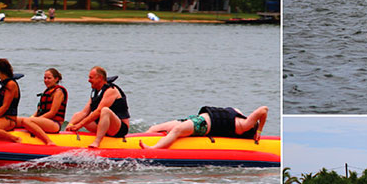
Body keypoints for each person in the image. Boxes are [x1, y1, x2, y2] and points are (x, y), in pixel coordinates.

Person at [139, 106, 269, 149]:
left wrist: (258, 130)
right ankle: (134, 143)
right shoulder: (239, 114)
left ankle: (153, 149)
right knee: (155, 128)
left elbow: (264, 109)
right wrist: (259, 130)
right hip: (195, 119)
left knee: (176, 131)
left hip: (202, 125)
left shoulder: (245, 126)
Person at [66, 66, 130, 148]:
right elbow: (84, 112)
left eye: (91, 78)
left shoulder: (111, 90)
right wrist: (71, 125)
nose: (88, 80)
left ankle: (97, 141)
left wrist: (79, 125)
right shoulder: (96, 91)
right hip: (103, 125)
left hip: (118, 128)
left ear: (100, 78)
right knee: (77, 115)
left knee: (105, 110)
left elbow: (99, 111)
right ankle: (67, 135)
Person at [19, 68, 68, 145]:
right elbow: (39, 111)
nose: (46, 80)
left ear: (56, 79)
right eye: (45, 78)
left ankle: (49, 141)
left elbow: (52, 113)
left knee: (26, 121)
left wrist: (35, 120)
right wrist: (32, 118)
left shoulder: (58, 92)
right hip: (44, 121)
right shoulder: (47, 91)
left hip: (54, 124)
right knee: (16, 120)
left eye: (49, 78)